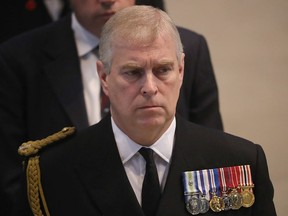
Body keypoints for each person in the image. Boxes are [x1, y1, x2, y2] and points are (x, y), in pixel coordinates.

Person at [16, 5, 276, 216]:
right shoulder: (54, 170)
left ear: (181, 70)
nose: (149, 87)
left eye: (163, 70)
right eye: (132, 72)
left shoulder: (239, 160)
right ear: (104, 77)